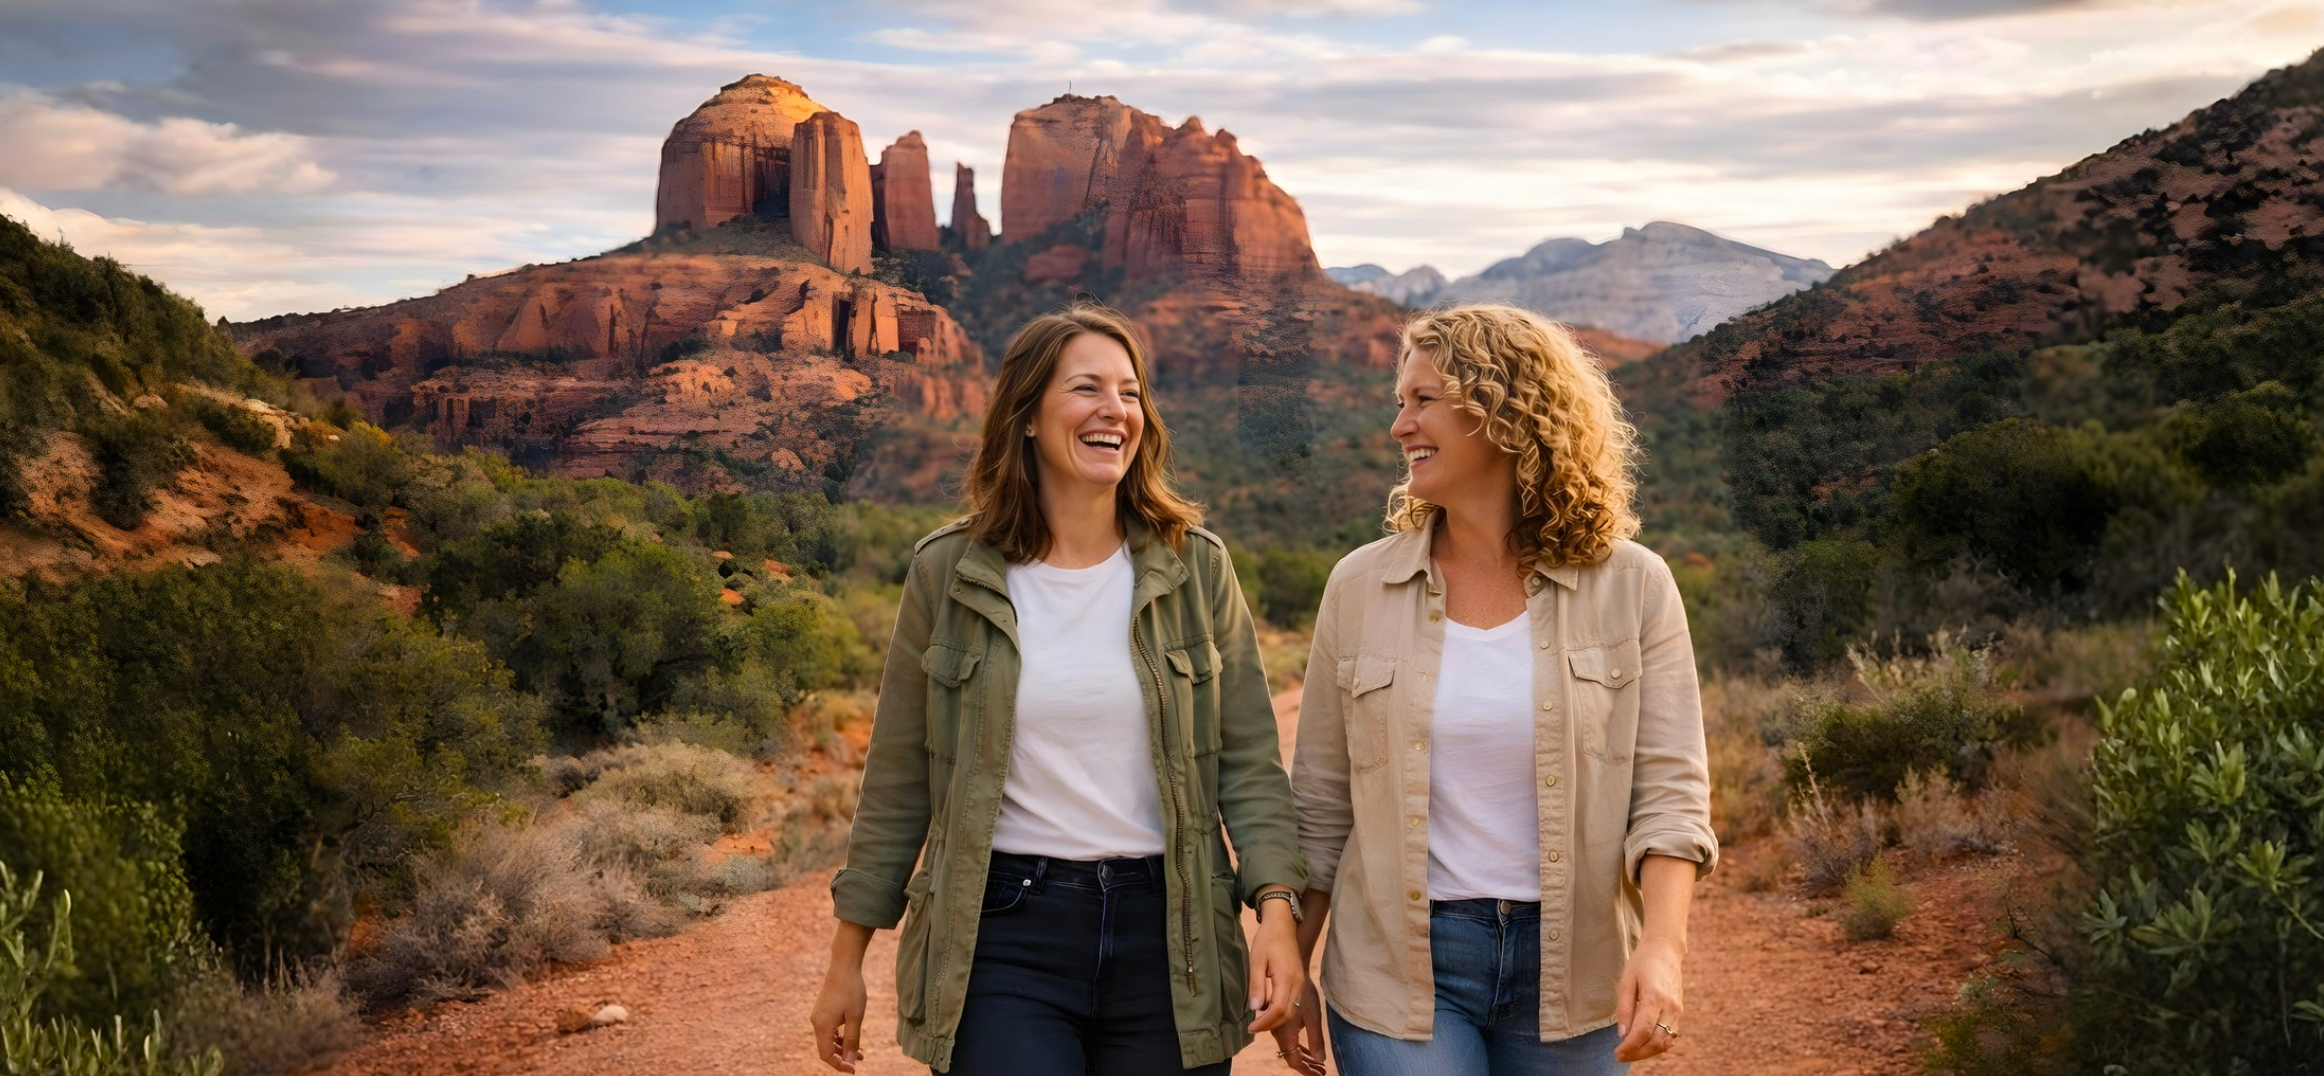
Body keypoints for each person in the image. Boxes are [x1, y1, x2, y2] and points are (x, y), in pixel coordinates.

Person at [810, 304, 1308, 1075]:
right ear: (1029, 416)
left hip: (1170, 932)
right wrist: (847, 961)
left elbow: (1248, 765)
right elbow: (899, 779)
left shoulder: (1196, 569)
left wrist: (1276, 911)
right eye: (1087, 389)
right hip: (1002, 933)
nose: (1115, 410)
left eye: (1130, 392)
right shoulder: (949, 573)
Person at [1275, 303, 1717, 1075]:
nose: (1398, 427)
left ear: (1503, 407)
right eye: (1398, 402)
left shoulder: (1633, 586)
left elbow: (1670, 795)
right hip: (1399, 974)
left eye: (1423, 401)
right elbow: (1320, 804)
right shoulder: (1360, 586)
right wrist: (1294, 961)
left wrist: (1663, 948)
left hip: (1576, 971)